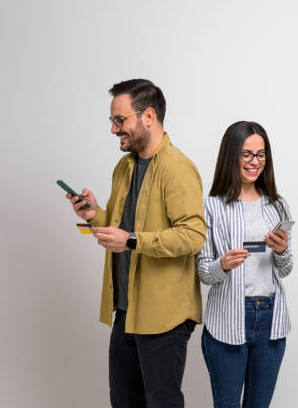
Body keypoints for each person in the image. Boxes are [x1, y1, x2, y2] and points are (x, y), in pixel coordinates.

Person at [66, 79, 206, 408]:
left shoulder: (178, 168)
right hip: (127, 311)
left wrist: (131, 239)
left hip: (165, 316)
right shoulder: (124, 167)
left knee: (161, 403)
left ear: (149, 116)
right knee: (124, 401)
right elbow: (118, 229)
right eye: (112, 121)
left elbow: (194, 234)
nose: (114, 130)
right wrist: (93, 215)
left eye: (120, 120)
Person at [197, 121, 293, 408]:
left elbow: (285, 269)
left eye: (261, 154)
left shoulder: (278, 205)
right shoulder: (210, 206)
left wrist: (282, 251)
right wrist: (223, 265)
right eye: (247, 154)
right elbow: (203, 272)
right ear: (231, 155)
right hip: (227, 320)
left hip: (271, 320)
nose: (255, 162)